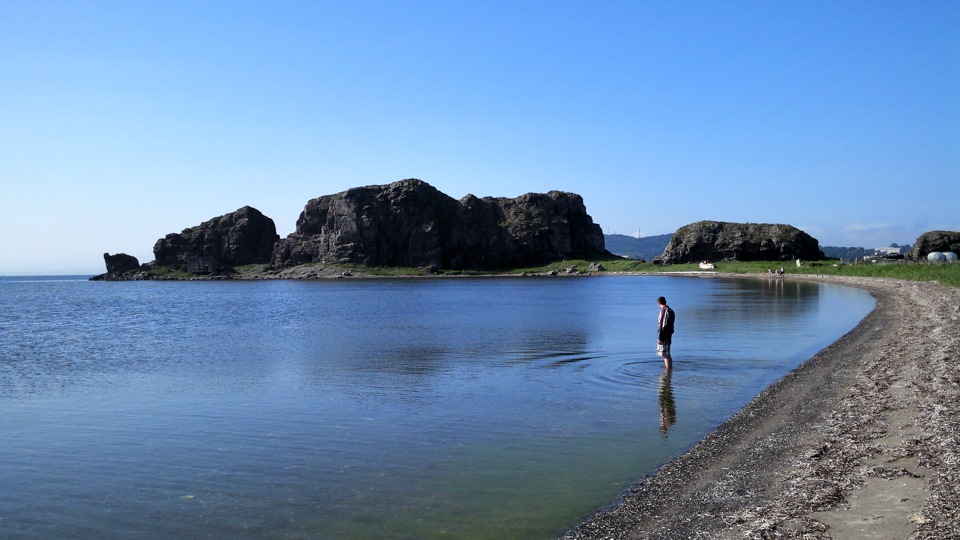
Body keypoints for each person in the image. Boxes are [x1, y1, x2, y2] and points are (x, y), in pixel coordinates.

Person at [656, 296, 675, 369]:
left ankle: (668, 369)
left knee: (664, 354)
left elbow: (662, 325)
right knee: (666, 353)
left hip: (663, 336)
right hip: (668, 335)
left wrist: (659, 338)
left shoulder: (664, 311)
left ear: (658, 303)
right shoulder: (671, 310)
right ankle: (668, 368)